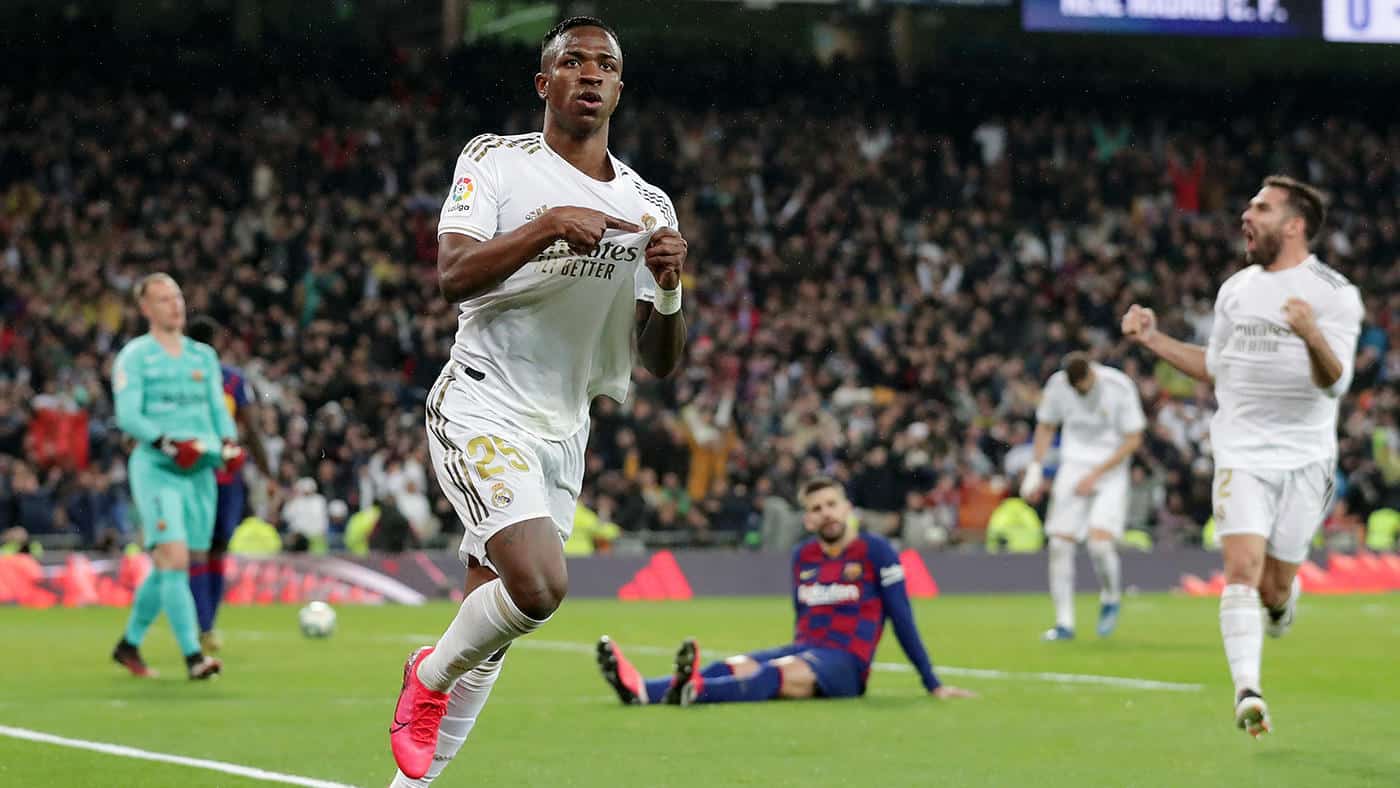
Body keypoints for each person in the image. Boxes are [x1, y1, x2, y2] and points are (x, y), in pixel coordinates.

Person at [388, 16, 688, 785]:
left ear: (620, 87)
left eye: (606, 65)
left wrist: (672, 289)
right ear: (543, 83)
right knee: (540, 585)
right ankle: (425, 677)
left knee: (495, 620)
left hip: (565, 427)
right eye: (574, 61)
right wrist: (549, 226)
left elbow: (657, 362)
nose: (591, 74)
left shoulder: (649, 203)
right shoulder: (495, 161)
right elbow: (453, 275)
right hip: (483, 402)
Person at [1122, 175, 1363, 737]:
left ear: (1295, 225)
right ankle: (1248, 691)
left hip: (1305, 460)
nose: (1245, 216)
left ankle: (1281, 607)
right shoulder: (1235, 290)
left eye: (1261, 208)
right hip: (1241, 453)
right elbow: (1215, 366)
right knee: (1240, 570)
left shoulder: (1334, 294)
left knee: (1274, 588)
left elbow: (1336, 383)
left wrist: (1309, 334)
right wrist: (1154, 339)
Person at [596, 477, 976, 707]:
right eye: (816, 508)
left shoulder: (876, 551)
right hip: (806, 648)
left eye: (831, 504)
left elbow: (902, 618)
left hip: (846, 664)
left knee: (773, 674)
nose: (826, 513)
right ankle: (642, 690)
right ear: (807, 518)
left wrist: (933, 683)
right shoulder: (803, 556)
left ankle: (691, 692)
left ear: (846, 508)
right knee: (732, 665)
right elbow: (802, 617)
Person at [109, 274, 244, 680]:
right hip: (159, 468)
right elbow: (128, 415)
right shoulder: (134, 357)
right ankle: (193, 656)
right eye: (164, 299)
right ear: (145, 308)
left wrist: (230, 444)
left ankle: (129, 645)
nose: (175, 305)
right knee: (175, 559)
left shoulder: (202, 356)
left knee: (173, 565)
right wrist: (169, 444)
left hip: (200, 469)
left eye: (178, 296)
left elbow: (218, 410)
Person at [1021, 352, 1145, 641]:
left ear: (1092, 373)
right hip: (1073, 465)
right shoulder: (1058, 386)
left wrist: (1096, 474)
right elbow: (1046, 425)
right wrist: (1035, 468)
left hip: (1111, 468)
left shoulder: (1119, 386)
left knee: (1099, 546)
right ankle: (1064, 623)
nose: (1080, 392)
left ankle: (1111, 596)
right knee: (1059, 545)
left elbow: (1133, 440)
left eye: (1084, 386)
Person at [186, 316, 270, 653]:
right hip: (211, 476)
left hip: (212, 476)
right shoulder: (226, 380)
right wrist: (267, 472)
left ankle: (206, 623)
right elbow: (250, 430)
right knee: (208, 549)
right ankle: (206, 624)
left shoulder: (218, 380)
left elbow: (248, 429)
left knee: (207, 550)